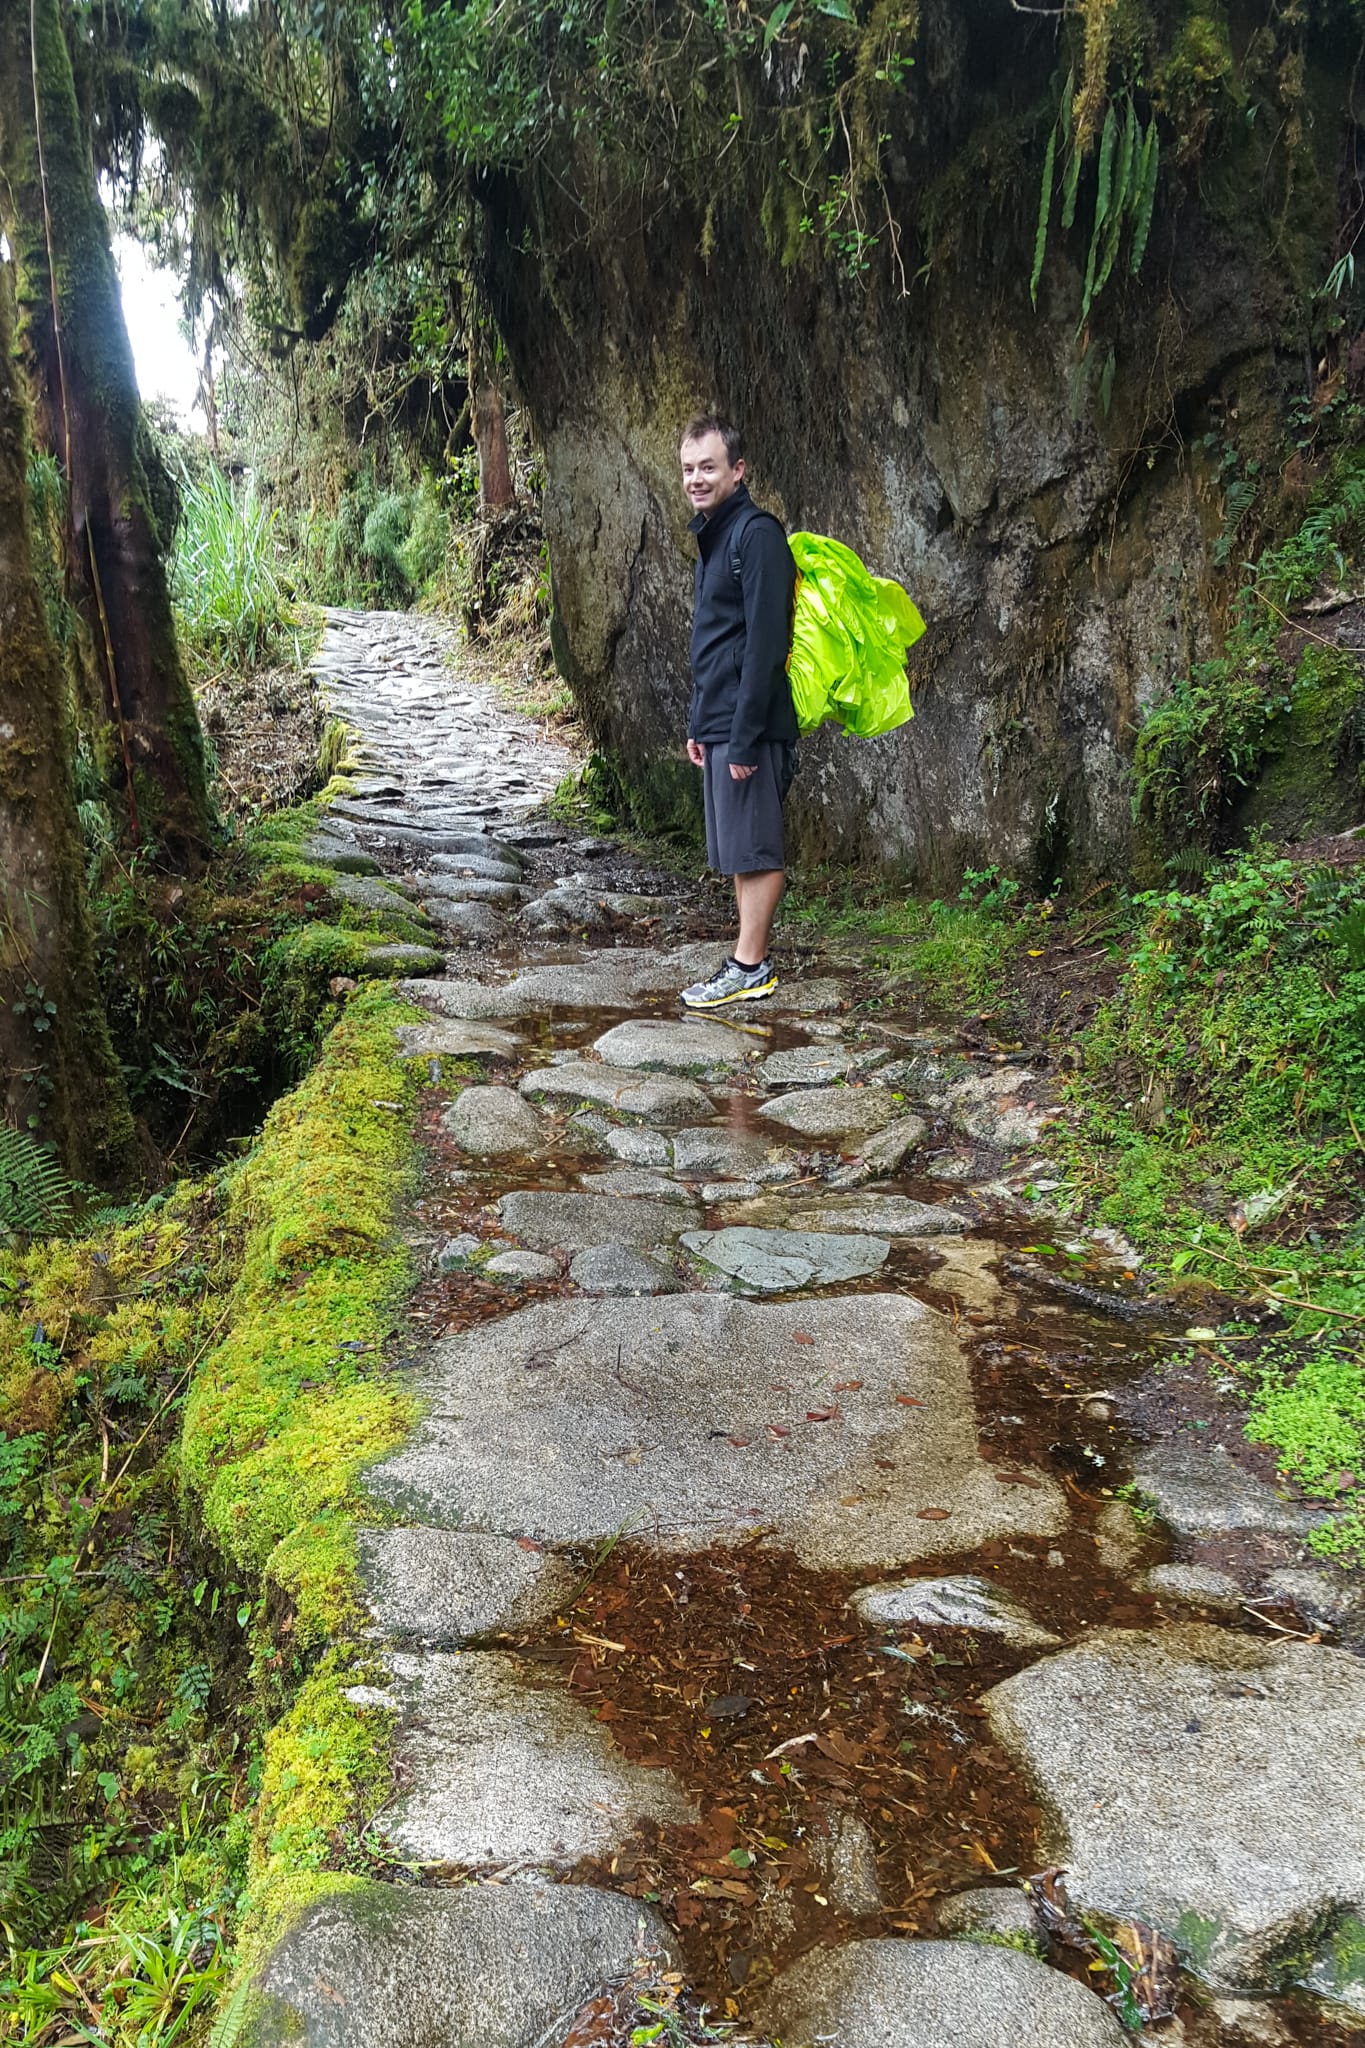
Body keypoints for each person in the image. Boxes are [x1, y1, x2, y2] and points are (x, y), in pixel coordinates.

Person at [677, 414, 798, 1010]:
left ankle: (750, 965)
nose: (697, 479)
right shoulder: (712, 536)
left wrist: (746, 737)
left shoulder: (757, 536)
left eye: (709, 467)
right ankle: (744, 961)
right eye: (689, 469)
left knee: (756, 848)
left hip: (752, 723)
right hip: (722, 720)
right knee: (737, 851)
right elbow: (713, 640)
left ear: (737, 470)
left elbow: (766, 645)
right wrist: (700, 723)